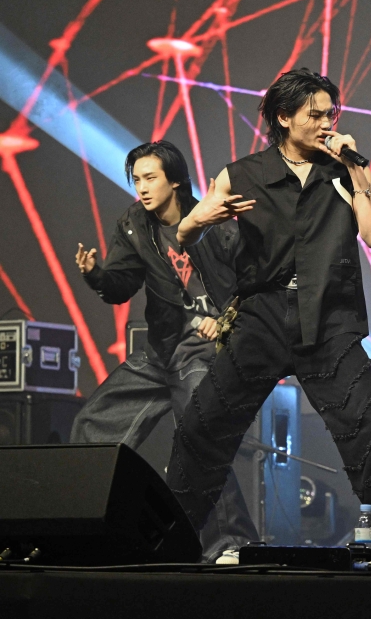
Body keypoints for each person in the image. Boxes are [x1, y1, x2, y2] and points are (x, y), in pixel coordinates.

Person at [168, 68, 371, 564]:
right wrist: (195, 221)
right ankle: (169, 544)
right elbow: (188, 235)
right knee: (203, 428)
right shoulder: (240, 174)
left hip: (329, 319)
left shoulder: (341, 172)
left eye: (331, 112)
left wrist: (360, 179)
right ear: (284, 117)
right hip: (262, 317)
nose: (326, 122)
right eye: (315, 114)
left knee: (367, 431)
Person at [71, 140, 258, 563]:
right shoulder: (135, 224)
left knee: (198, 433)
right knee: (92, 423)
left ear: (175, 179)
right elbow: (121, 286)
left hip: (205, 349)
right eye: (136, 179)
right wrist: (96, 275)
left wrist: (226, 317)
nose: (142, 187)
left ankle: (231, 543)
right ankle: (87, 531)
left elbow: (253, 280)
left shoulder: (213, 218)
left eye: (150, 177)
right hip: (162, 348)